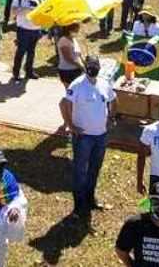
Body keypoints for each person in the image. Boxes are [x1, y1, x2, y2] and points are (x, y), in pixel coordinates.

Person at [60, 55, 117, 216]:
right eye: (90, 65)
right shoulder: (77, 85)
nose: (93, 68)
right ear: (85, 67)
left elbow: (114, 100)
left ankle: (90, 199)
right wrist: (71, 126)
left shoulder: (104, 84)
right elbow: (64, 104)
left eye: (95, 65)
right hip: (83, 137)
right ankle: (78, 206)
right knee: (80, 171)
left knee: (94, 169)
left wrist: (111, 117)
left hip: (101, 136)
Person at [10, 0, 43, 81]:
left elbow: (42, 10)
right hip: (23, 29)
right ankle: (16, 72)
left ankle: (29, 71)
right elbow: (14, 12)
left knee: (31, 52)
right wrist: (27, 9)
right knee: (21, 51)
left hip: (35, 29)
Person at [57, 23, 84, 88]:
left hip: (76, 69)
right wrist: (81, 66)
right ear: (69, 30)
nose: (77, 32)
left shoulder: (73, 39)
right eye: (76, 31)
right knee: (72, 92)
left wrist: (84, 62)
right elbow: (68, 58)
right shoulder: (63, 41)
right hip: (67, 71)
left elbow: (78, 53)